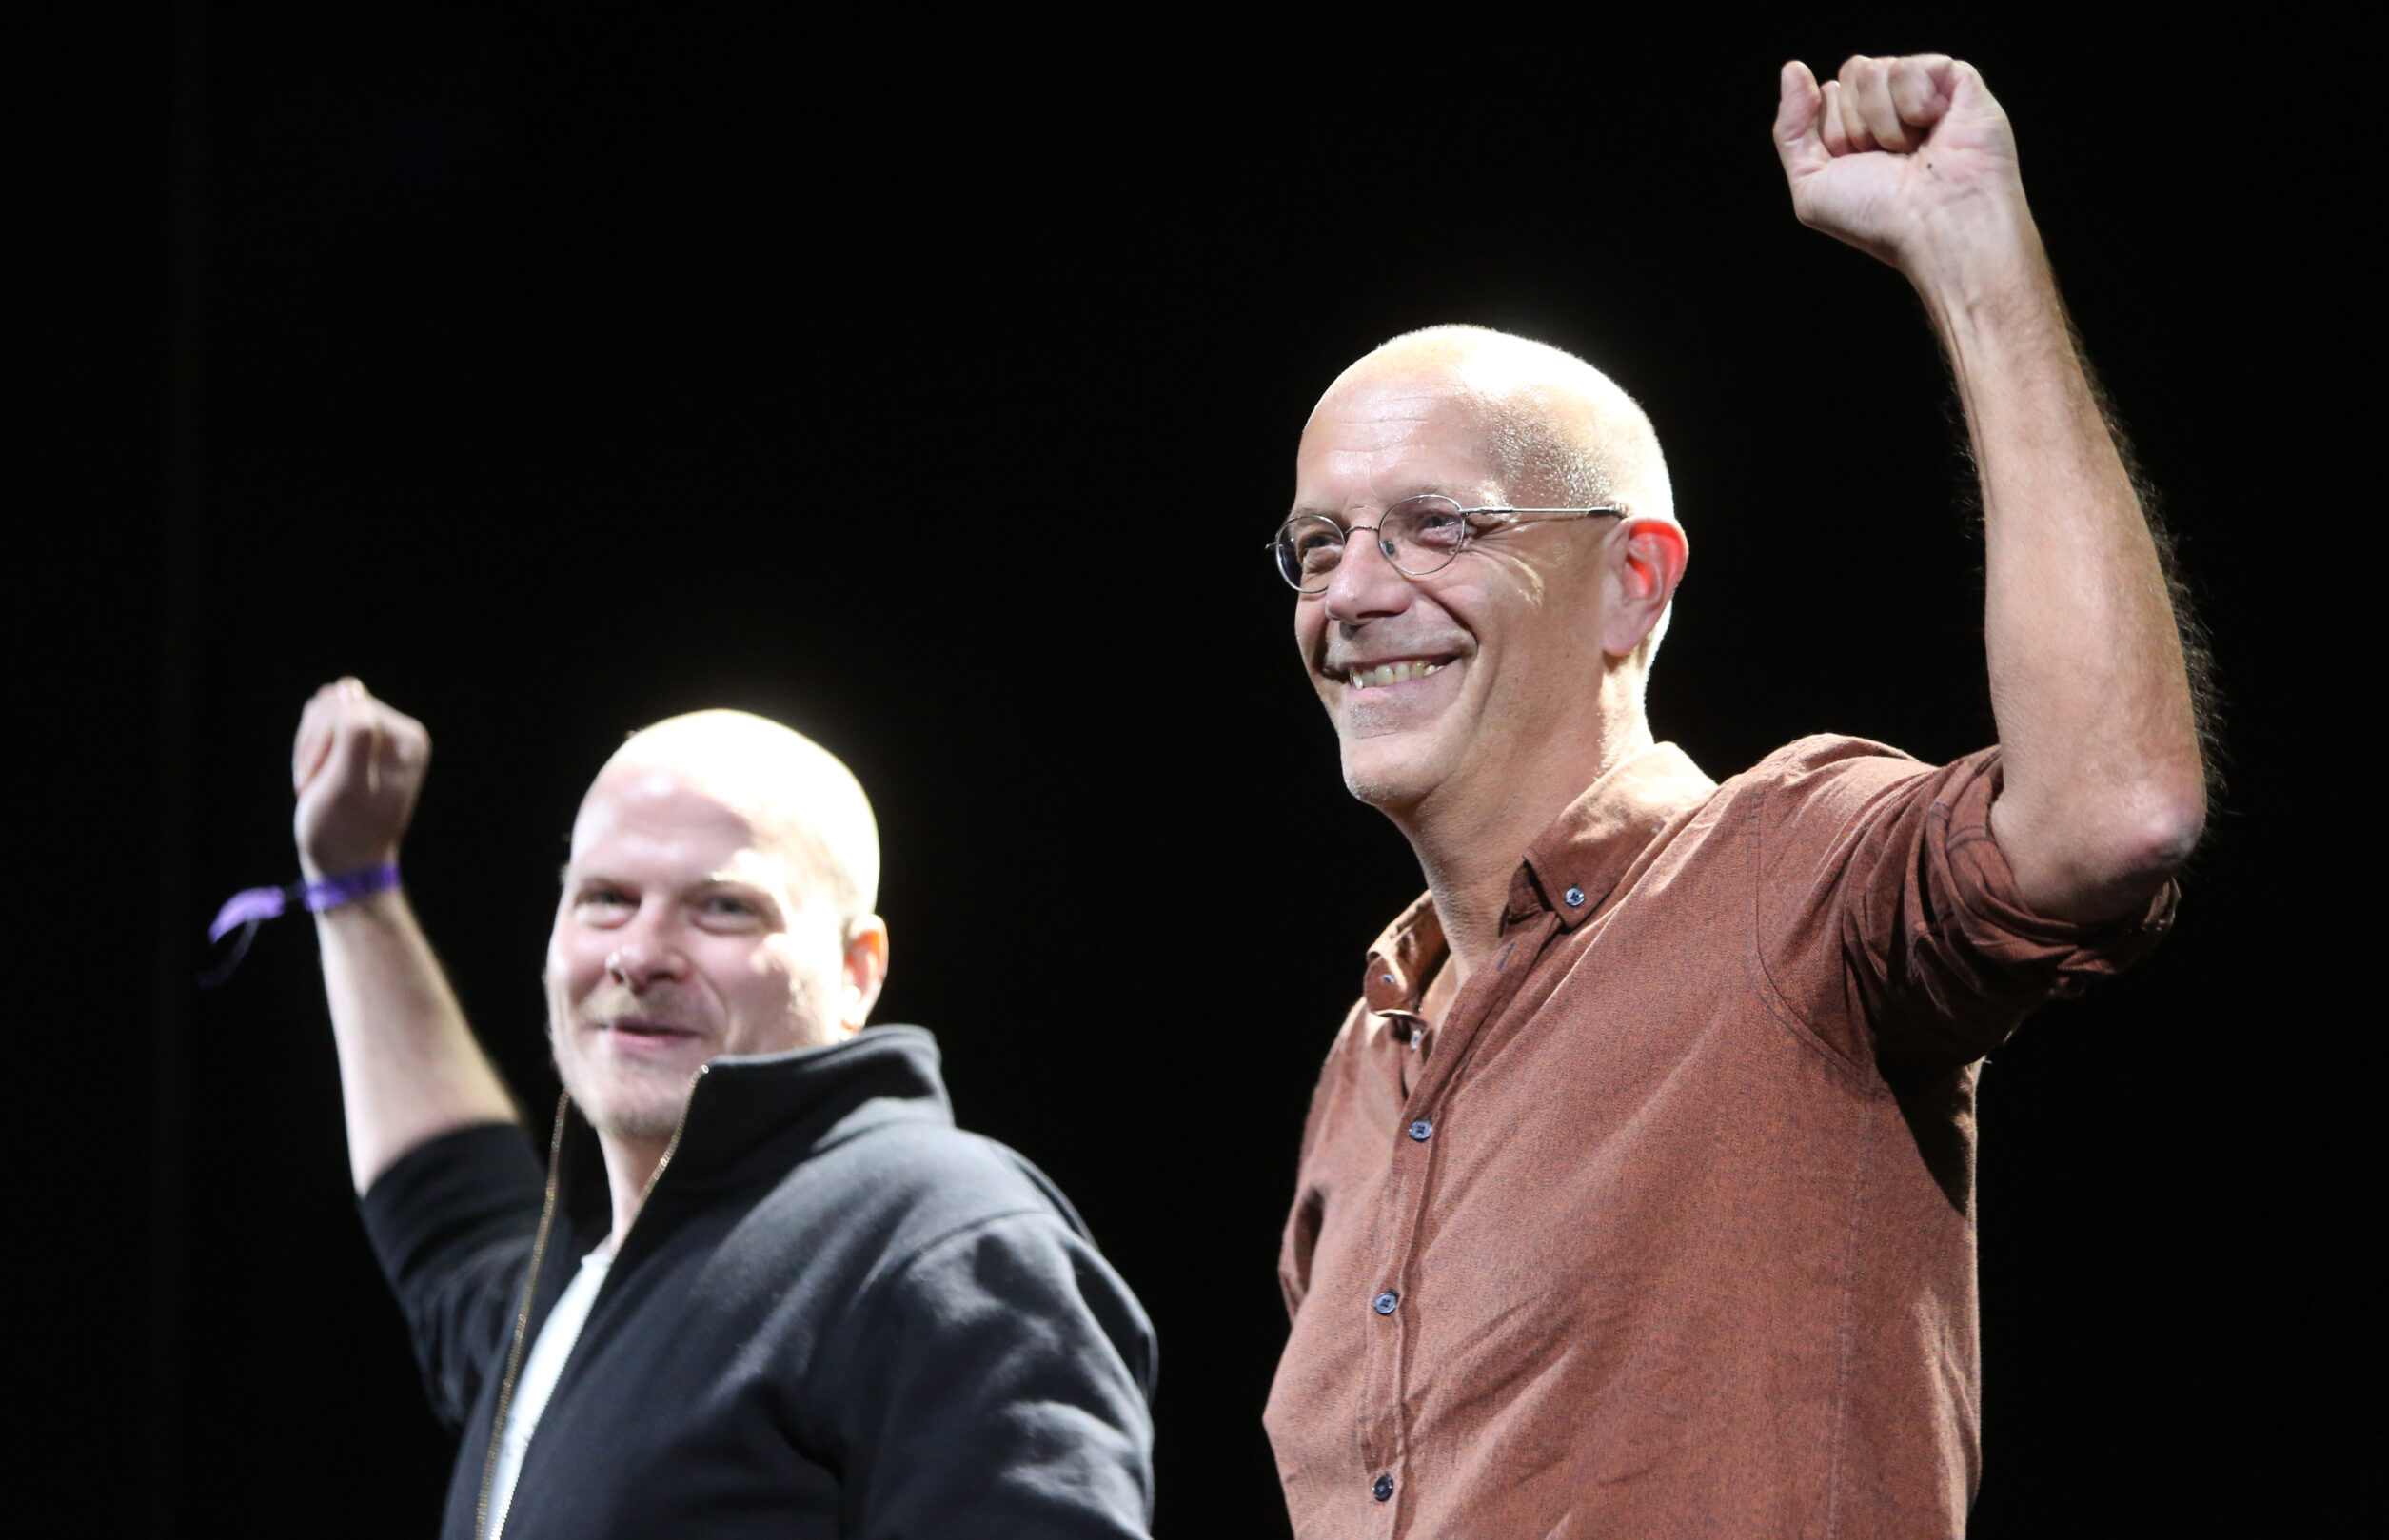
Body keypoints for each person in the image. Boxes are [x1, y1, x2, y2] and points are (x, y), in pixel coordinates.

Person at [1260, 53, 2208, 1537]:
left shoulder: (1785, 872)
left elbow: (2114, 815)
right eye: (1318, 545)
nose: (1353, 595)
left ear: (1632, 582)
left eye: (1437, 526)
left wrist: (1974, 261)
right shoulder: (1367, 1055)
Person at [289, 679, 1156, 1539]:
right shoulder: (588, 1286)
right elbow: (449, 1209)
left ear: (857, 971)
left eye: (723, 908)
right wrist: (353, 888)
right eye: (606, 898)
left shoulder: (944, 1240)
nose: (639, 954)